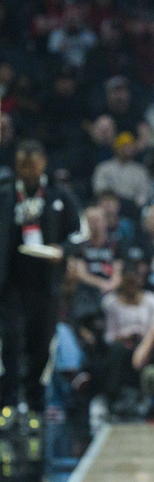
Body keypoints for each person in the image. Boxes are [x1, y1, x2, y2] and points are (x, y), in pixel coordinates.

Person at [0, 140, 81, 414]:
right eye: (23, 164)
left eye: (33, 163)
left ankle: (35, 404)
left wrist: (64, 250)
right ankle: (7, 403)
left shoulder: (59, 195)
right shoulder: (5, 193)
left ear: (44, 162)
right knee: (9, 341)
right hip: (10, 284)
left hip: (46, 285)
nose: (28, 169)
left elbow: (78, 234)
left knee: (41, 346)